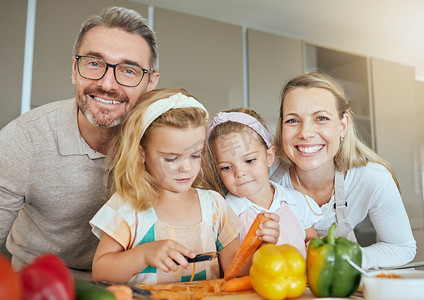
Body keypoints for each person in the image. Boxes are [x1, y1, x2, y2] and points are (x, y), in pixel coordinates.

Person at [0, 6, 159, 279]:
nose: (108, 84)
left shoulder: (164, 143)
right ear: (75, 69)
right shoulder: (24, 139)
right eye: (94, 63)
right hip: (41, 285)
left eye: (128, 70)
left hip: (132, 287)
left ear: (150, 83)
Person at [89, 88, 258, 285]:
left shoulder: (214, 206)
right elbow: (101, 271)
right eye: (171, 158)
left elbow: (234, 270)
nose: (186, 167)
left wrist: (261, 245)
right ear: (141, 153)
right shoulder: (127, 206)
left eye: (195, 155)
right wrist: (144, 254)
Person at [271, 71, 416, 269]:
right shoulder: (266, 179)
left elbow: (401, 247)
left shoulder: (372, 178)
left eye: (321, 118)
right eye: (292, 120)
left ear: (343, 125)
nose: (305, 133)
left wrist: (344, 259)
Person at [206, 107, 319, 258]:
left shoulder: (297, 201)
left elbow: (312, 242)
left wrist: (320, 246)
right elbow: (230, 266)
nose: (239, 173)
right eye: (226, 167)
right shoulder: (224, 214)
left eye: (249, 160)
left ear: (269, 156)